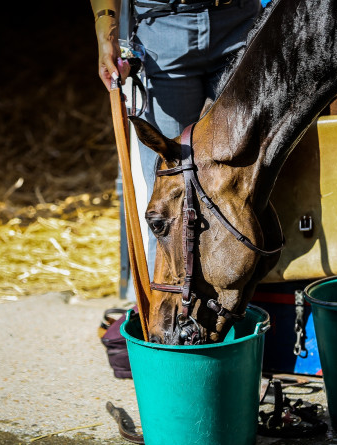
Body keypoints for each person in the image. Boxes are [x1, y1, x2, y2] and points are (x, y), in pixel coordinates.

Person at [91, 0, 261, 297]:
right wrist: (106, 30)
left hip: (239, 24)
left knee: (241, 183)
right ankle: (159, 320)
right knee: (168, 193)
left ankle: (241, 315)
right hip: (162, 29)